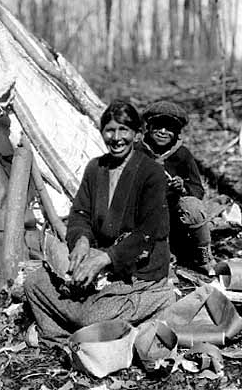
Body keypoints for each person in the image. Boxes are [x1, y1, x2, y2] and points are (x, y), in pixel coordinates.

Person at [24, 100, 176, 347]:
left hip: (138, 271)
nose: (116, 138)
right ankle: (61, 339)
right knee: (35, 283)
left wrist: (105, 259)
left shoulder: (151, 173)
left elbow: (148, 233)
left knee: (91, 316)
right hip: (102, 263)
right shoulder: (96, 168)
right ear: (102, 132)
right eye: (110, 130)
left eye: (124, 130)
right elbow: (80, 214)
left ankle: (157, 300)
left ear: (137, 135)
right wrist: (81, 241)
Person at [136, 100, 215, 274]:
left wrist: (183, 187)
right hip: (142, 217)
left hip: (174, 217)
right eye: (158, 126)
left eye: (169, 128)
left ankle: (203, 255)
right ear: (148, 127)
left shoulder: (182, 155)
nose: (163, 132)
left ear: (177, 132)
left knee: (193, 207)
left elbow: (198, 189)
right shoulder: (135, 152)